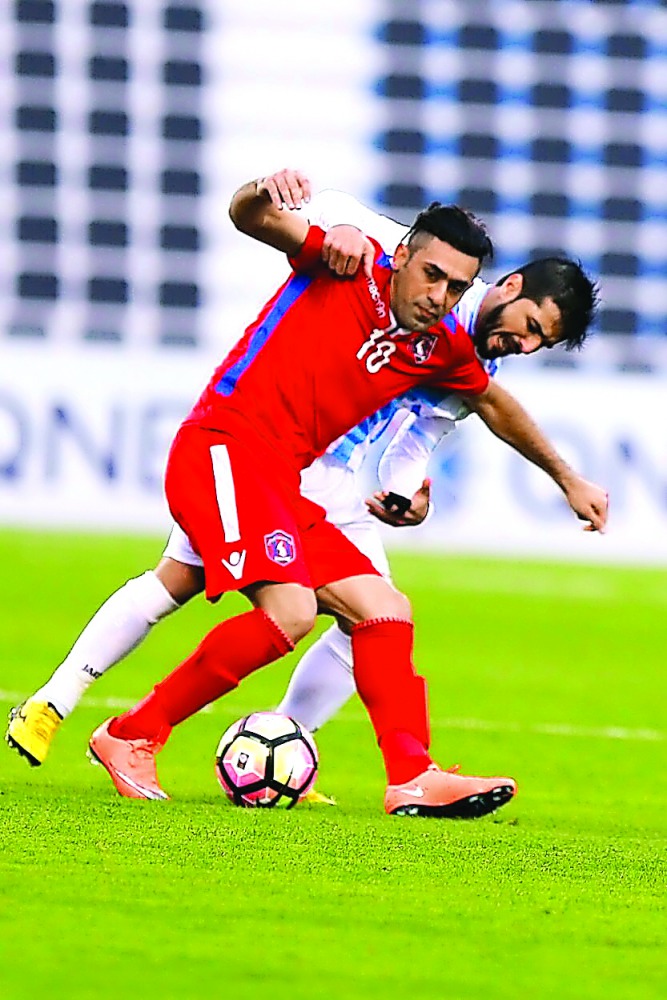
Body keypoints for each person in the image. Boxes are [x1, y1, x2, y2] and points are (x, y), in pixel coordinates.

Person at [9, 169, 608, 818]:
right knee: (281, 609)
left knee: (383, 609)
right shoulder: (348, 261)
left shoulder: (444, 348)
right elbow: (250, 216)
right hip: (225, 446)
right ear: (403, 256)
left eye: (455, 287)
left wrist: (566, 478)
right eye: (431, 275)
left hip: (290, 482)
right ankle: (130, 732)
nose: (440, 295)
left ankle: (412, 774)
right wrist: (264, 189)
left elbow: (491, 405)